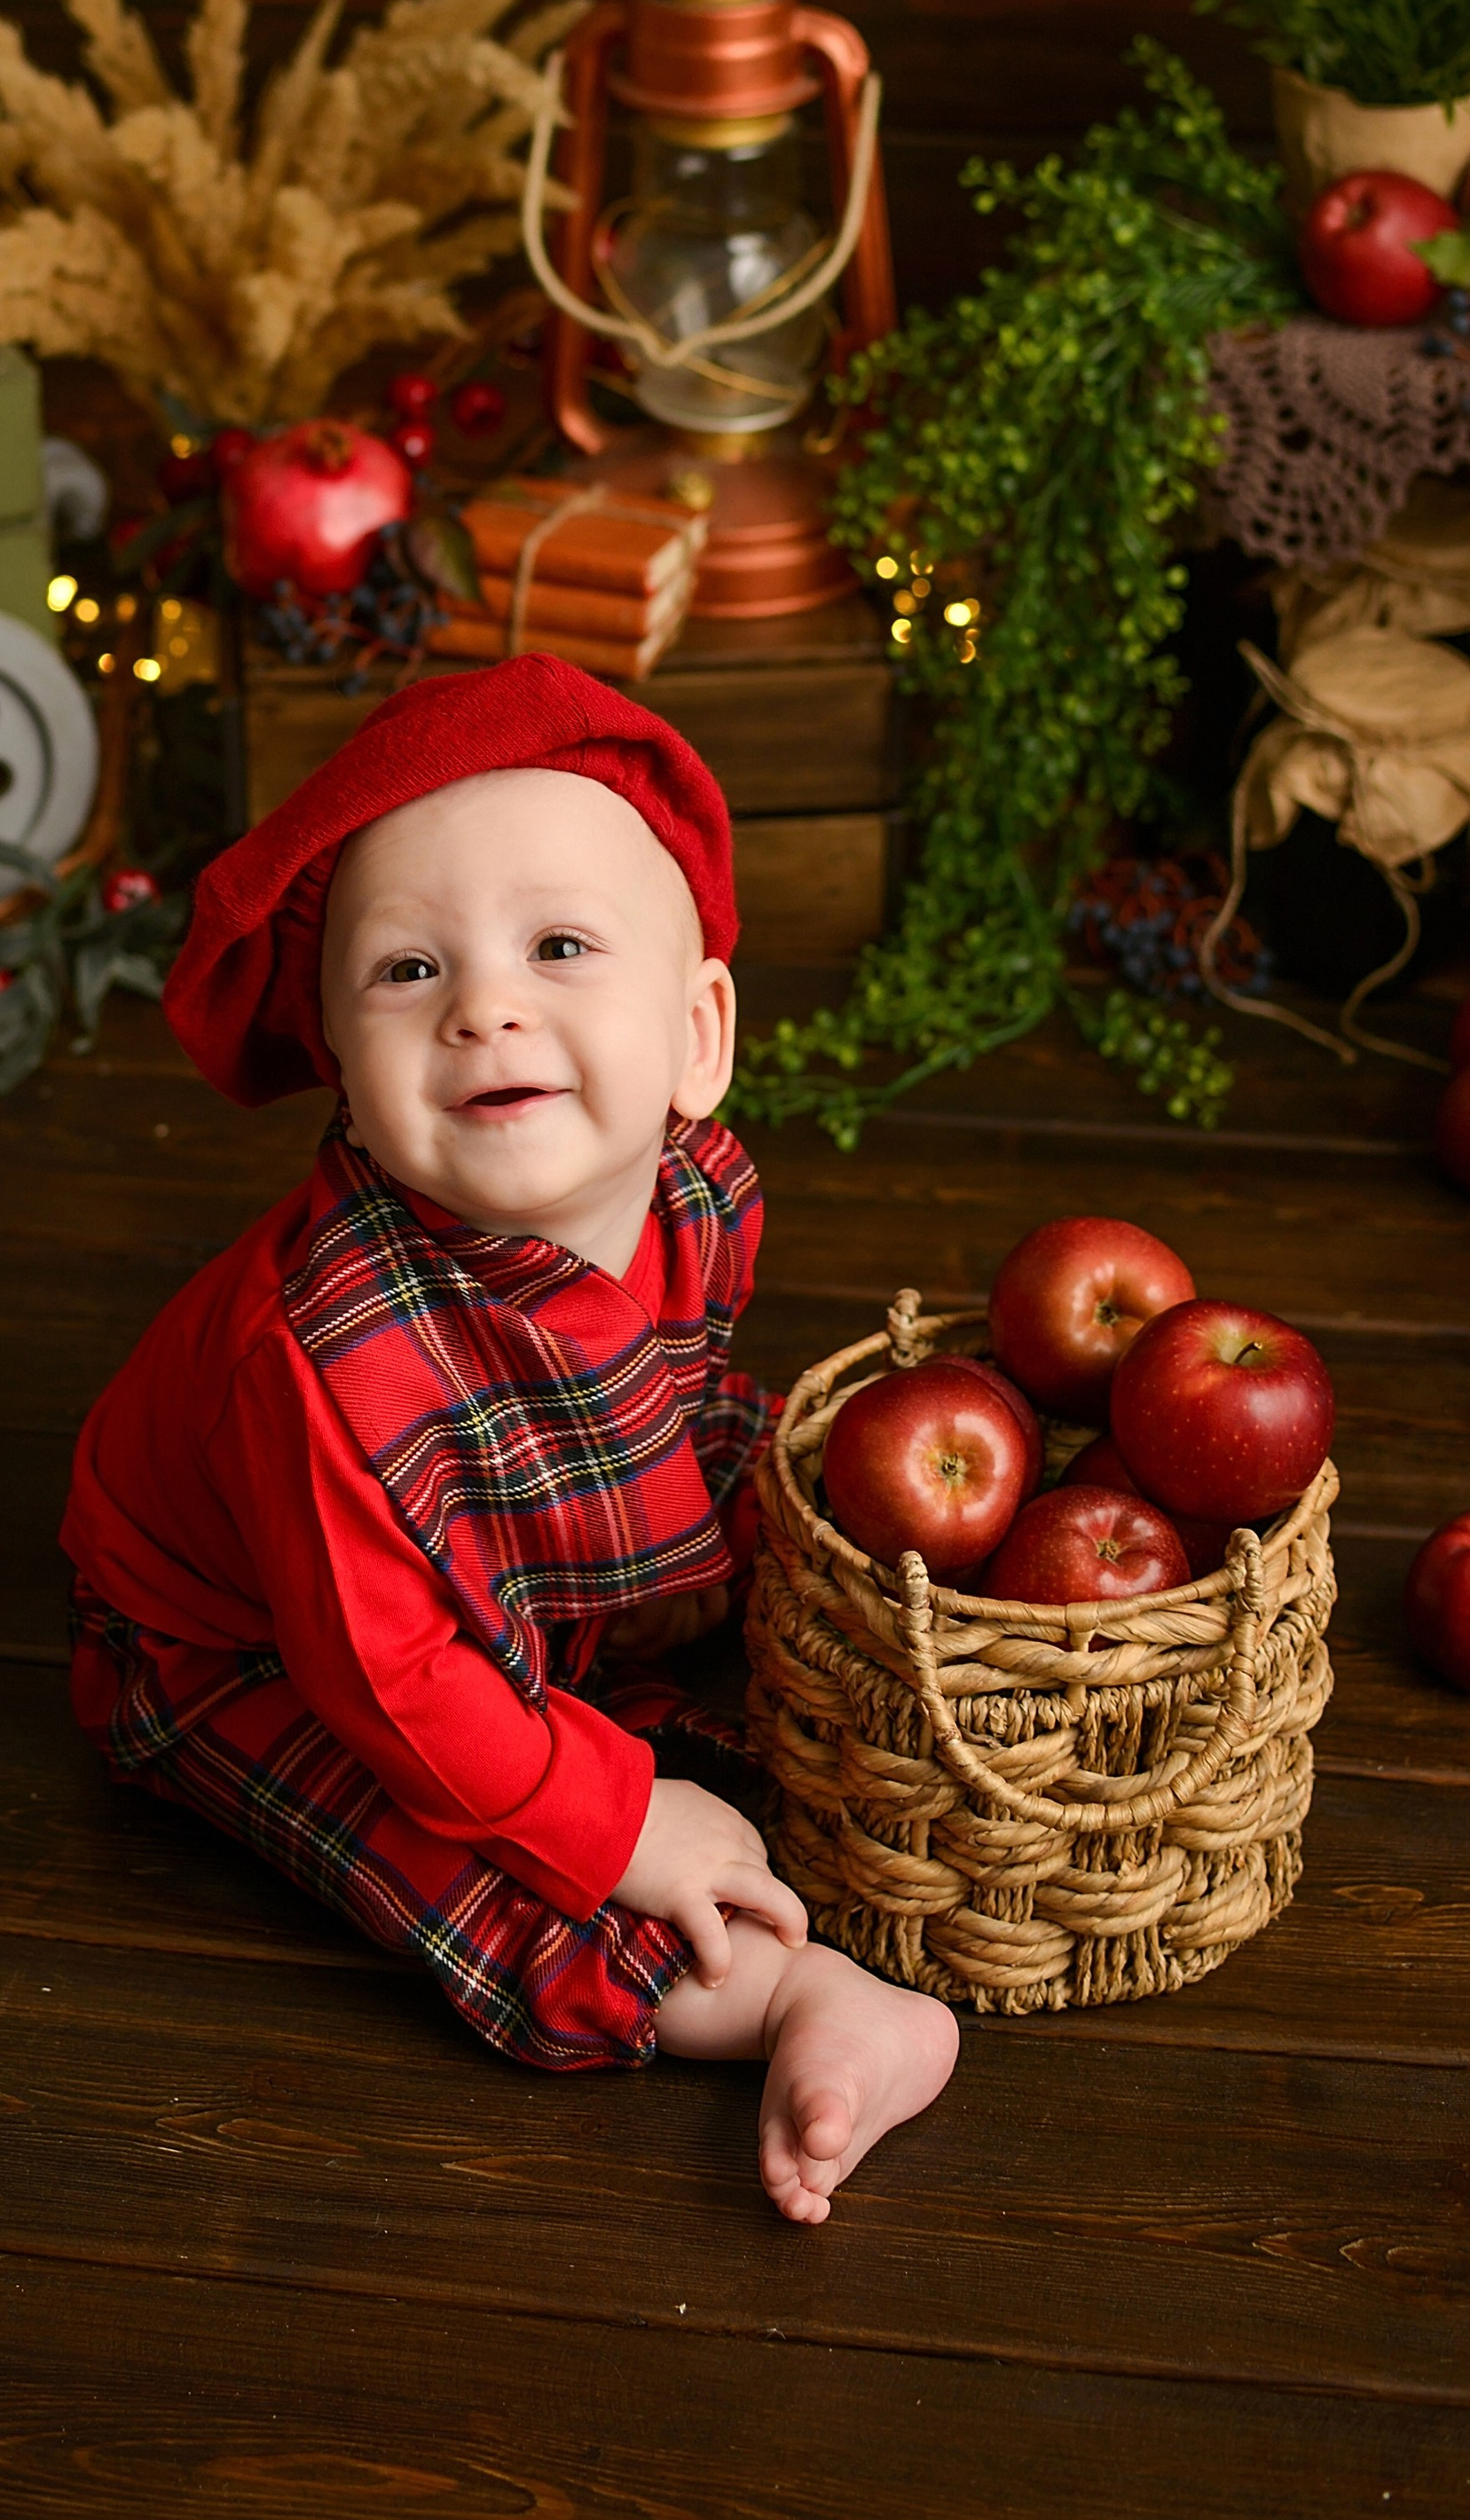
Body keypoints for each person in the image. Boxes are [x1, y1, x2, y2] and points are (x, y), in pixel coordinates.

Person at [61, 652, 955, 2223]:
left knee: (771, 1509)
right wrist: (616, 1824)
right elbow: (391, 1684)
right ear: (342, 1074)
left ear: (698, 1036)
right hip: (257, 1642)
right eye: (409, 970)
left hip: (486, 1538)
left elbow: (676, 1391)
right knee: (450, 1840)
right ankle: (791, 2004)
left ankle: (693, 1679)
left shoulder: (685, 1194)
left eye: (558, 946)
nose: (484, 1005)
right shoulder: (318, 1362)